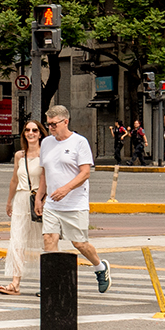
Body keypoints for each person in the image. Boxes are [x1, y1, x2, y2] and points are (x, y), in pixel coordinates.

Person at [39, 105, 110, 293]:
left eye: (54, 124)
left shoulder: (79, 142)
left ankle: (100, 267)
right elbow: (44, 172)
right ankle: (53, 283)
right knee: (49, 239)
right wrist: (40, 196)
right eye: (49, 124)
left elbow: (85, 173)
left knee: (79, 243)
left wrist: (66, 189)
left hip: (74, 203)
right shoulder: (46, 143)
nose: (51, 128)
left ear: (65, 121)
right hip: (52, 204)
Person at [0, 118, 46, 296]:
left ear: (40, 134)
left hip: (39, 200)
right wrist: (9, 201)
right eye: (27, 130)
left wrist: (43, 199)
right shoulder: (19, 155)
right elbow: (14, 180)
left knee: (44, 243)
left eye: (35, 130)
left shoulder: (45, 155)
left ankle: (46, 284)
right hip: (20, 200)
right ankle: (15, 283)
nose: (31, 133)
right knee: (17, 241)